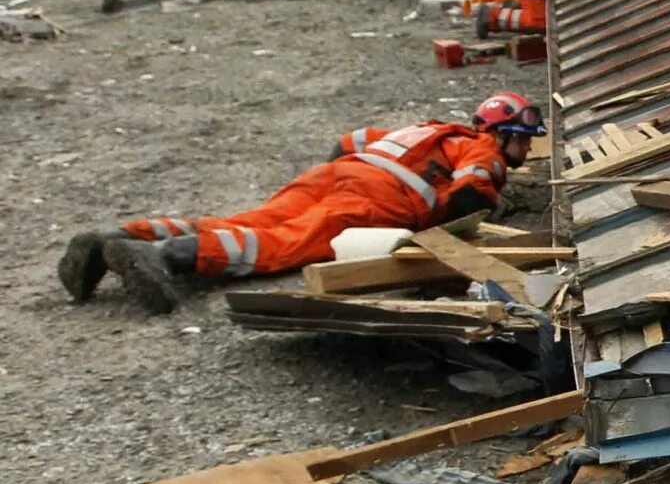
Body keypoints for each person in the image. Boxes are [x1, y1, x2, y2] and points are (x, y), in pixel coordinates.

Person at [59, 91, 543, 312]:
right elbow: (470, 195)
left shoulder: (428, 128)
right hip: (377, 201)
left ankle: (122, 237)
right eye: (524, 141)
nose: (526, 151)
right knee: (281, 244)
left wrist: (344, 180)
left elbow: (350, 139)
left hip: (339, 173)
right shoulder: (483, 150)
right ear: (505, 133)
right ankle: (168, 257)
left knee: (249, 219)